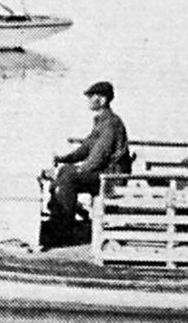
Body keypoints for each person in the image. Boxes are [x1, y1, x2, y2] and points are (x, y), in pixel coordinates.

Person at [41, 81, 131, 244]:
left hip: (112, 176)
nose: (88, 100)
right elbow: (85, 148)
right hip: (103, 173)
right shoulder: (101, 121)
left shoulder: (110, 123)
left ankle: (64, 231)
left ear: (102, 100)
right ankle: (59, 222)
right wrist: (63, 159)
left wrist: (80, 170)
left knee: (68, 176)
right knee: (66, 171)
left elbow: (99, 156)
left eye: (91, 96)